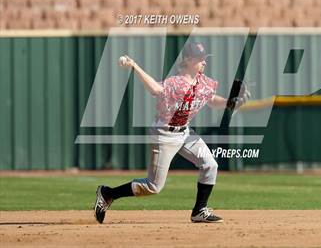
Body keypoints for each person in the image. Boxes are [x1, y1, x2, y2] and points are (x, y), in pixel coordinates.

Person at [94, 42, 235, 224]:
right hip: (164, 134)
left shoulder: (202, 82)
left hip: (185, 133)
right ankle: (108, 194)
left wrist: (229, 102)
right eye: (200, 59)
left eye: (204, 59)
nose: (204, 63)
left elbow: (211, 100)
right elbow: (155, 89)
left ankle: (199, 210)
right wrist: (135, 66)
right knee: (153, 186)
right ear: (188, 60)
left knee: (210, 165)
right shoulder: (175, 82)